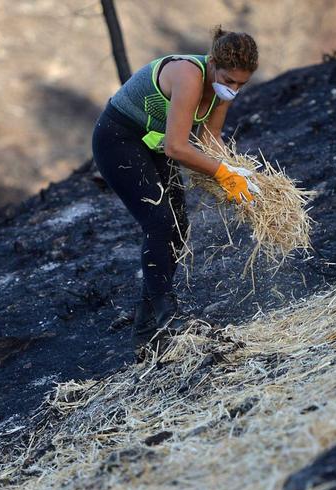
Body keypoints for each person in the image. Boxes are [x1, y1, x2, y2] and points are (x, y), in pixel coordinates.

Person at [91, 27, 261, 359]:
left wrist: (239, 173)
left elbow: (210, 138)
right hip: (119, 139)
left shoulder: (220, 89)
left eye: (242, 84)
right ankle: (167, 322)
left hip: (152, 143)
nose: (233, 89)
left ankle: (145, 331)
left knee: (179, 226)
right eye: (229, 80)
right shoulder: (188, 75)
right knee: (159, 223)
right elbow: (177, 147)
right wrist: (222, 173)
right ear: (212, 62)